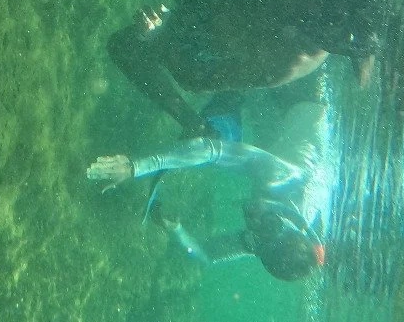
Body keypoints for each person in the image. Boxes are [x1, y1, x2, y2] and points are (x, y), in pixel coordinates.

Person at [104, 0, 379, 140]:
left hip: (208, 36)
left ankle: (194, 123)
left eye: (321, 25)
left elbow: (196, 79)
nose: (313, 11)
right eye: (323, 4)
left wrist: (160, 37)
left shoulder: (285, 64)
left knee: (123, 45)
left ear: (328, 43)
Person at [87, 97, 327, 281]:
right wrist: (135, 166)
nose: (254, 221)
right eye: (269, 224)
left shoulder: (265, 239)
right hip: (296, 98)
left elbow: (205, 254)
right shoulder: (284, 178)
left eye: (257, 236)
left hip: (283, 124)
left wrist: (177, 231)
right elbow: (212, 149)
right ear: (289, 223)